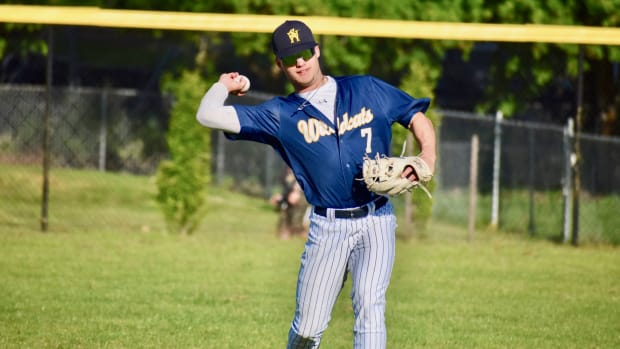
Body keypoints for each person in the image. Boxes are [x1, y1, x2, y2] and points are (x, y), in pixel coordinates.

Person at [196, 20, 436, 349]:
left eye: (306, 52)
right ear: (280, 64)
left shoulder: (365, 88)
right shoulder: (279, 115)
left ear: (317, 51)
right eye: (291, 57)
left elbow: (416, 117)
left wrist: (428, 159)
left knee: (369, 306)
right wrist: (224, 85)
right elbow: (207, 115)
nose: (301, 61)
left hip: (377, 219)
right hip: (328, 227)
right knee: (308, 327)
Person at [271, 166, 310, 239]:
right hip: (289, 197)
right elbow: (286, 188)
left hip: (304, 199)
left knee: (301, 202)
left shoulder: (302, 167)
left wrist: (297, 192)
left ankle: (299, 229)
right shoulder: (286, 171)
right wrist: (281, 196)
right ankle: (287, 229)